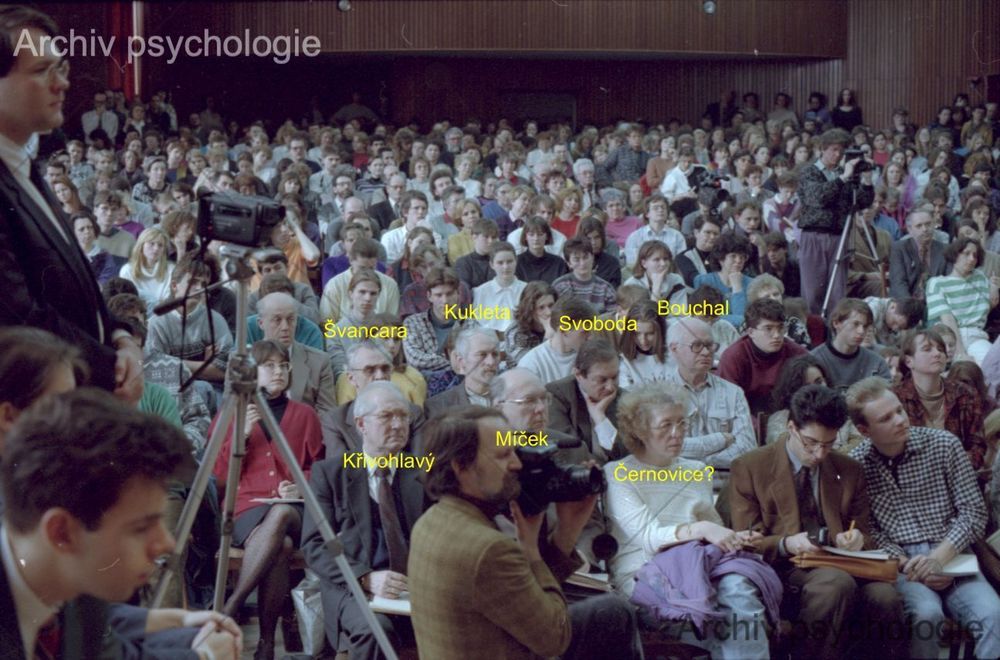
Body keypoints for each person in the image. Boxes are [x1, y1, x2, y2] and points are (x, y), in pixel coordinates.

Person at [1, 387, 242, 660]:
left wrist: (177, 620)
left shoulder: (65, 583)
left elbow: (91, 622)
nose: (166, 544)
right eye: (141, 527)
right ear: (62, 533)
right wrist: (205, 657)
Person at [409, 405, 641, 660]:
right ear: (461, 467)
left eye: (515, 451)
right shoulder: (488, 549)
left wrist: (567, 531)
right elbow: (554, 639)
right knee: (615, 611)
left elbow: (525, 601)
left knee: (610, 613)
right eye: (503, 455)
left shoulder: (430, 522)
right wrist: (531, 552)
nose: (517, 463)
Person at [0, 6, 143, 401]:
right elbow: (21, 317)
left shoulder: (24, 165)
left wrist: (120, 334)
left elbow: (73, 284)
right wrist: (112, 371)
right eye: (42, 70)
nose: (62, 83)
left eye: (60, 68)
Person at [729, 385, 905, 660]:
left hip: (845, 564)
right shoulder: (751, 467)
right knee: (835, 583)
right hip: (785, 568)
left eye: (829, 444)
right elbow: (746, 542)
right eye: (811, 443)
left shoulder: (849, 470)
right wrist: (786, 543)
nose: (820, 454)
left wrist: (857, 539)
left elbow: (866, 533)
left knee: (885, 597)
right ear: (791, 428)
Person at [604, 382, 774, 660]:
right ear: (639, 431)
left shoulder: (696, 470)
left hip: (700, 565)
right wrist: (702, 529)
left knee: (738, 590)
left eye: (682, 423)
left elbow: (713, 531)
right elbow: (649, 538)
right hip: (645, 573)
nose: (678, 433)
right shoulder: (618, 473)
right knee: (733, 623)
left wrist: (734, 538)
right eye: (666, 425)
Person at [846, 377, 1000, 660]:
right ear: (864, 430)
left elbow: (973, 511)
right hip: (902, 563)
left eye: (899, 410)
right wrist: (910, 565)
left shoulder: (944, 444)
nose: (900, 420)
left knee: (994, 615)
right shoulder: (857, 464)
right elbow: (869, 530)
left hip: (953, 551)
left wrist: (938, 559)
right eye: (886, 418)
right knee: (925, 617)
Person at [210, 339, 323, 659]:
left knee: (283, 512)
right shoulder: (231, 413)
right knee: (281, 547)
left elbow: (320, 468)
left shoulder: (306, 415)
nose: (279, 371)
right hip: (246, 508)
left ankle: (230, 606)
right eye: (269, 365)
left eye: (283, 365)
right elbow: (218, 477)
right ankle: (266, 643)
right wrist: (241, 436)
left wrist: (301, 486)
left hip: (295, 509)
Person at [301, 382, 429, 660]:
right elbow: (314, 545)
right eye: (386, 416)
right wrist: (364, 577)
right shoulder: (331, 473)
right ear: (361, 425)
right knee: (375, 632)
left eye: (403, 416)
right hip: (354, 588)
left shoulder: (423, 471)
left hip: (417, 588)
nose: (398, 425)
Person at [893, 328, 988, 474]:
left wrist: (954, 466)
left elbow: (978, 445)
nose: (937, 354)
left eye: (940, 349)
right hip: (912, 476)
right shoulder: (895, 398)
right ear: (908, 361)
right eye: (927, 349)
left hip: (959, 475)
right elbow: (891, 448)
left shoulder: (965, 393)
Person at [665, 318, 755, 468]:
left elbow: (747, 447)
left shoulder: (733, 393)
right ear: (674, 349)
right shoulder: (658, 395)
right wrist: (721, 440)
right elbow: (661, 447)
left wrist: (704, 464)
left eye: (709, 345)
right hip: (675, 478)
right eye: (697, 346)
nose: (706, 352)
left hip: (724, 478)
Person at [797, 128, 869, 314]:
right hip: (814, 235)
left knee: (837, 292)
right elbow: (817, 198)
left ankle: (835, 328)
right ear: (823, 149)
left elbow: (862, 202)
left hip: (839, 236)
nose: (838, 155)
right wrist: (843, 178)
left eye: (841, 151)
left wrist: (867, 181)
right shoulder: (809, 172)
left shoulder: (846, 173)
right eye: (834, 150)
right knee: (813, 291)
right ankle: (813, 328)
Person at [321, 341, 426, 455]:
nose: (380, 376)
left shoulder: (413, 413)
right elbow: (338, 465)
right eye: (370, 370)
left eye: (385, 369)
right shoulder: (335, 421)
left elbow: (420, 462)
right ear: (351, 378)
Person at [718, 298, 808, 417]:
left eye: (780, 328)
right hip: (746, 420)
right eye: (768, 329)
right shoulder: (733, 357)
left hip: (791, 418)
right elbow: (729, 405)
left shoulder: (797, 353)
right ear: (751, 332)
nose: (776, 335)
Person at [546, 338, 625, 463]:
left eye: (615, 377)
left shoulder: (625, 398)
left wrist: (600, 418)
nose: (610, 387)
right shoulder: (557, 396)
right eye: (602, 380)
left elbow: (626, 453)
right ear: (578, 375)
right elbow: (569, 450)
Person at [926, 236, 999, 364]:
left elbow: (990, 304)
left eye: (975, 255)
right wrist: (960, 353)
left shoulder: (980, 278)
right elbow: (947, 319)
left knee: (993, 365)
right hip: (949, 337)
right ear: (955, 255)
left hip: (976, 334)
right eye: (966, 253)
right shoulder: (937, 283)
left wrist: (993, 287)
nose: (972, 259)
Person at [809, 298, 892, 390]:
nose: (861, 331)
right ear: (836, 323)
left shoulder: (877, 363)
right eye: (855, 324)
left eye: (865, 326)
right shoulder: (814, 360)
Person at [518, 296, 595, 384]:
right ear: (564, 331)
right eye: (585, 332)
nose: (591, 337)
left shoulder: (592, 356)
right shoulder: (532, 364)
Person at [426, 327, 500, 417]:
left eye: (495, 354)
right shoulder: (439, 406)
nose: (491, 362)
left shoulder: (512, 397)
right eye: (482, 355)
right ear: (461, 361)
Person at [889, 208, 948, 300]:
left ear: (934, 225)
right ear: (909, 229)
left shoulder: (945, 249)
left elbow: (949, 281)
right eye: (919, 226)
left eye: (928, 224)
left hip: (938, 301)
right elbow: (898, 283)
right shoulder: (899, 249)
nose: (925, 229)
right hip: (908, 300)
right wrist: (910, 306)